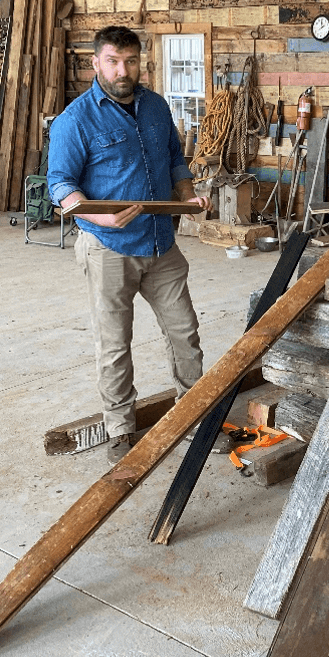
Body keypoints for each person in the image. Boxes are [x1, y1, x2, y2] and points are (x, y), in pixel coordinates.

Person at [47, 25, 211, 464]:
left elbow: (176, 159)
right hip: (108, 248)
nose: (124, 70)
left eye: (132, 61)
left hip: (162, 243)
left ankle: (193, 415)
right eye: (114, 61)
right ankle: (121, 429)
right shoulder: (75, 120)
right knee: (115, 345)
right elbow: (60, 185)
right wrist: (95, 213)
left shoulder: (156, 107)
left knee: (185, 333)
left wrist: (187, 194)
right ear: (96, 63)